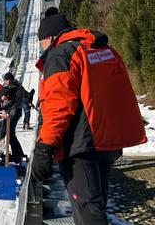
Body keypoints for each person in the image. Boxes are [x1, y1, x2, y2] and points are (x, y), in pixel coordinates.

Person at [31, 11, 147, 225]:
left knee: (88, 213)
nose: (41, 48)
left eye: (40, 42)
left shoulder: (61, 53)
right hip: (105, 142)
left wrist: (45, 147)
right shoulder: (102, 50)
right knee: (97, 205)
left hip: (79, 146)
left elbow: (59, 105)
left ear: (48, 38)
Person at [0, 72, 26, 163]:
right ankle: (18, 153)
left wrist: (3, 108)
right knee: (10, 133)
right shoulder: (13, 87)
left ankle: (17, 154)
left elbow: (13, 102)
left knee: (9, 133)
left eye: (6, 80)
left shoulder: (16, 88)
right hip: (12, 111)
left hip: (14, 112)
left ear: (9, 80)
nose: (5, 82)